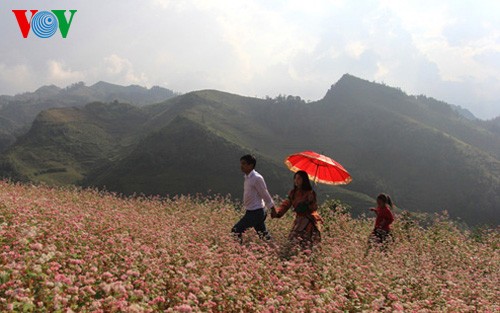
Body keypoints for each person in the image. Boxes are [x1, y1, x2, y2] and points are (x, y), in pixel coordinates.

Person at [271, 171, 323, 248]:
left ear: (304, 180)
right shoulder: (293, 193)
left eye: (298, 179)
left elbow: (314, 208)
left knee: (306, 244)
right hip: (299, 220)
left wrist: (310, 201)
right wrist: (278, 213)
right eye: (295, 178)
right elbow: (286, 204)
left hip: (308, 221)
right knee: (293, 242)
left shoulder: (310, 193)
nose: (296, 180)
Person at [231, 154, 275, 243]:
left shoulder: (256, 178)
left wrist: (273, 208)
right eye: (241, 163)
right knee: (263, 235)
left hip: (256, 212)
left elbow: (264, 194)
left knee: (235, 230)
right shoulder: (247, 177)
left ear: (251, 165)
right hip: (253, 211)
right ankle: (274, 249)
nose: (241, 166)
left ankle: (238, 251)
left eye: (244, 164)